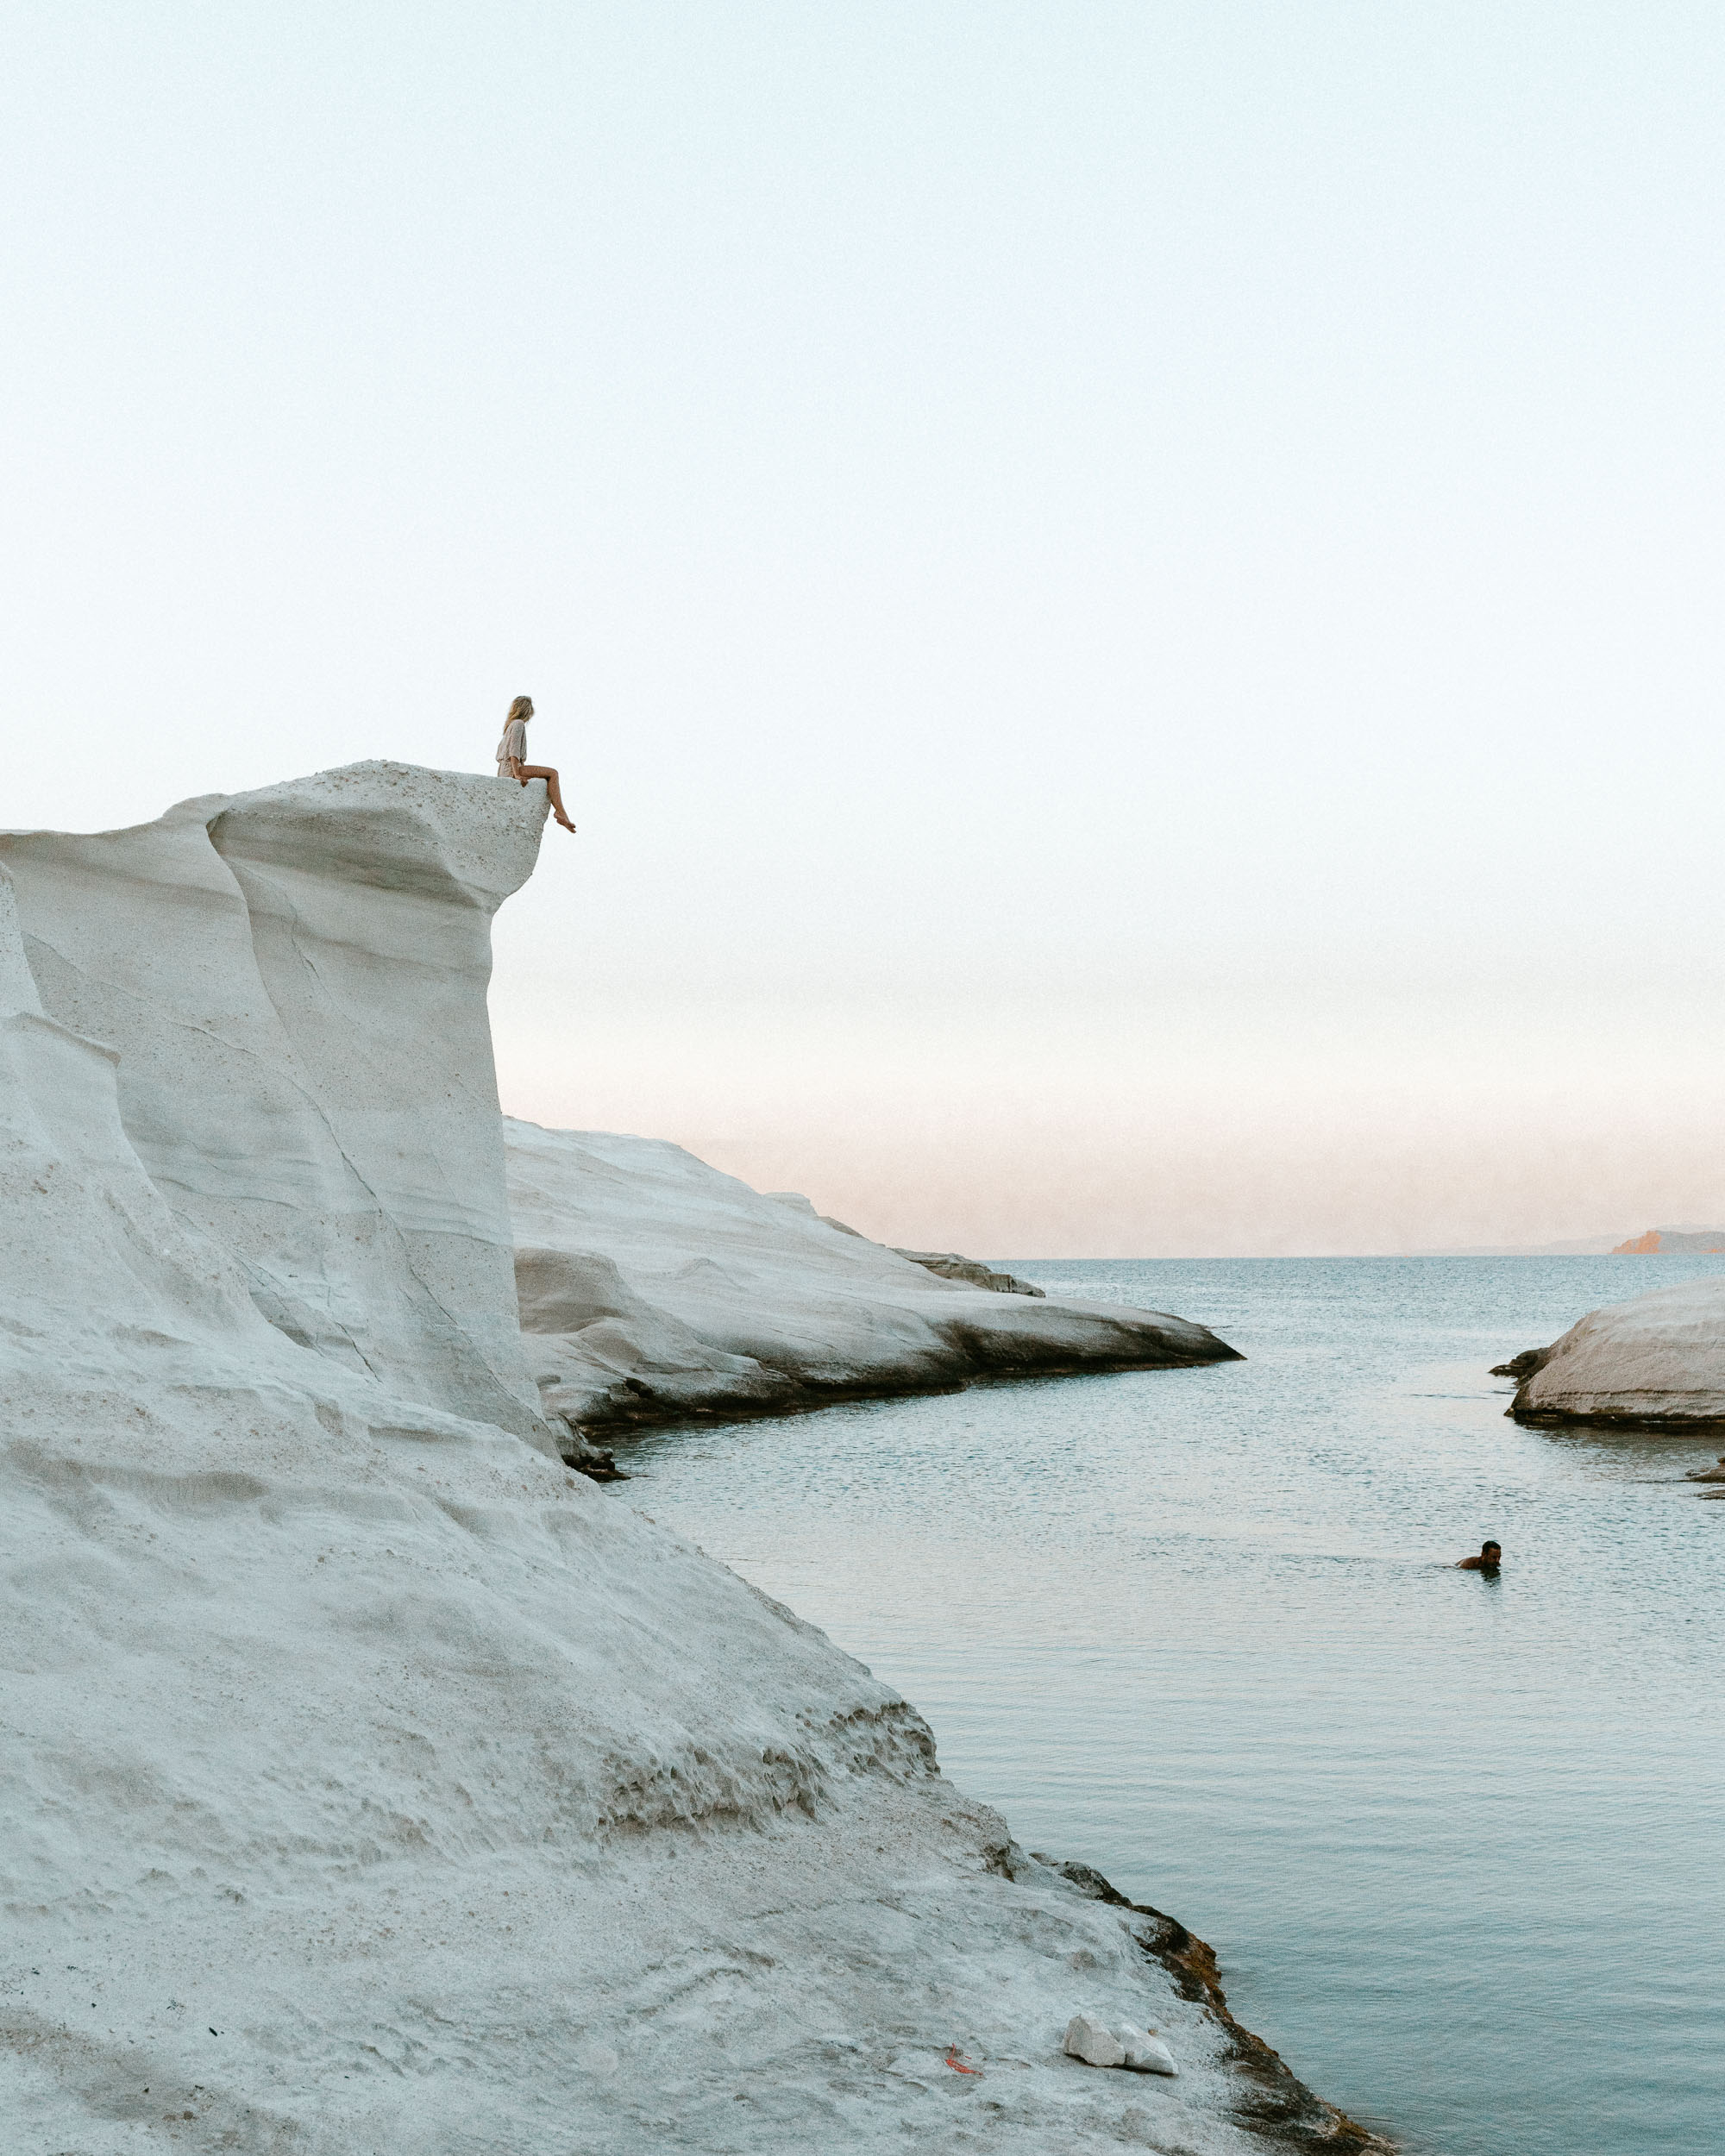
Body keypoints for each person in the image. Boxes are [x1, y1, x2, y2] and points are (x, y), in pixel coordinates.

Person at [495, 694, 575, 831]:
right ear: (527, 710)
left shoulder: (509, 727)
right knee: (552, 773)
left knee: (550, 774)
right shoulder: (519, 724)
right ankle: (561, 812)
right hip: (511, 769)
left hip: (504, 770)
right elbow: (513, 753)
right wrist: (517, 774)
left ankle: (561, 812)